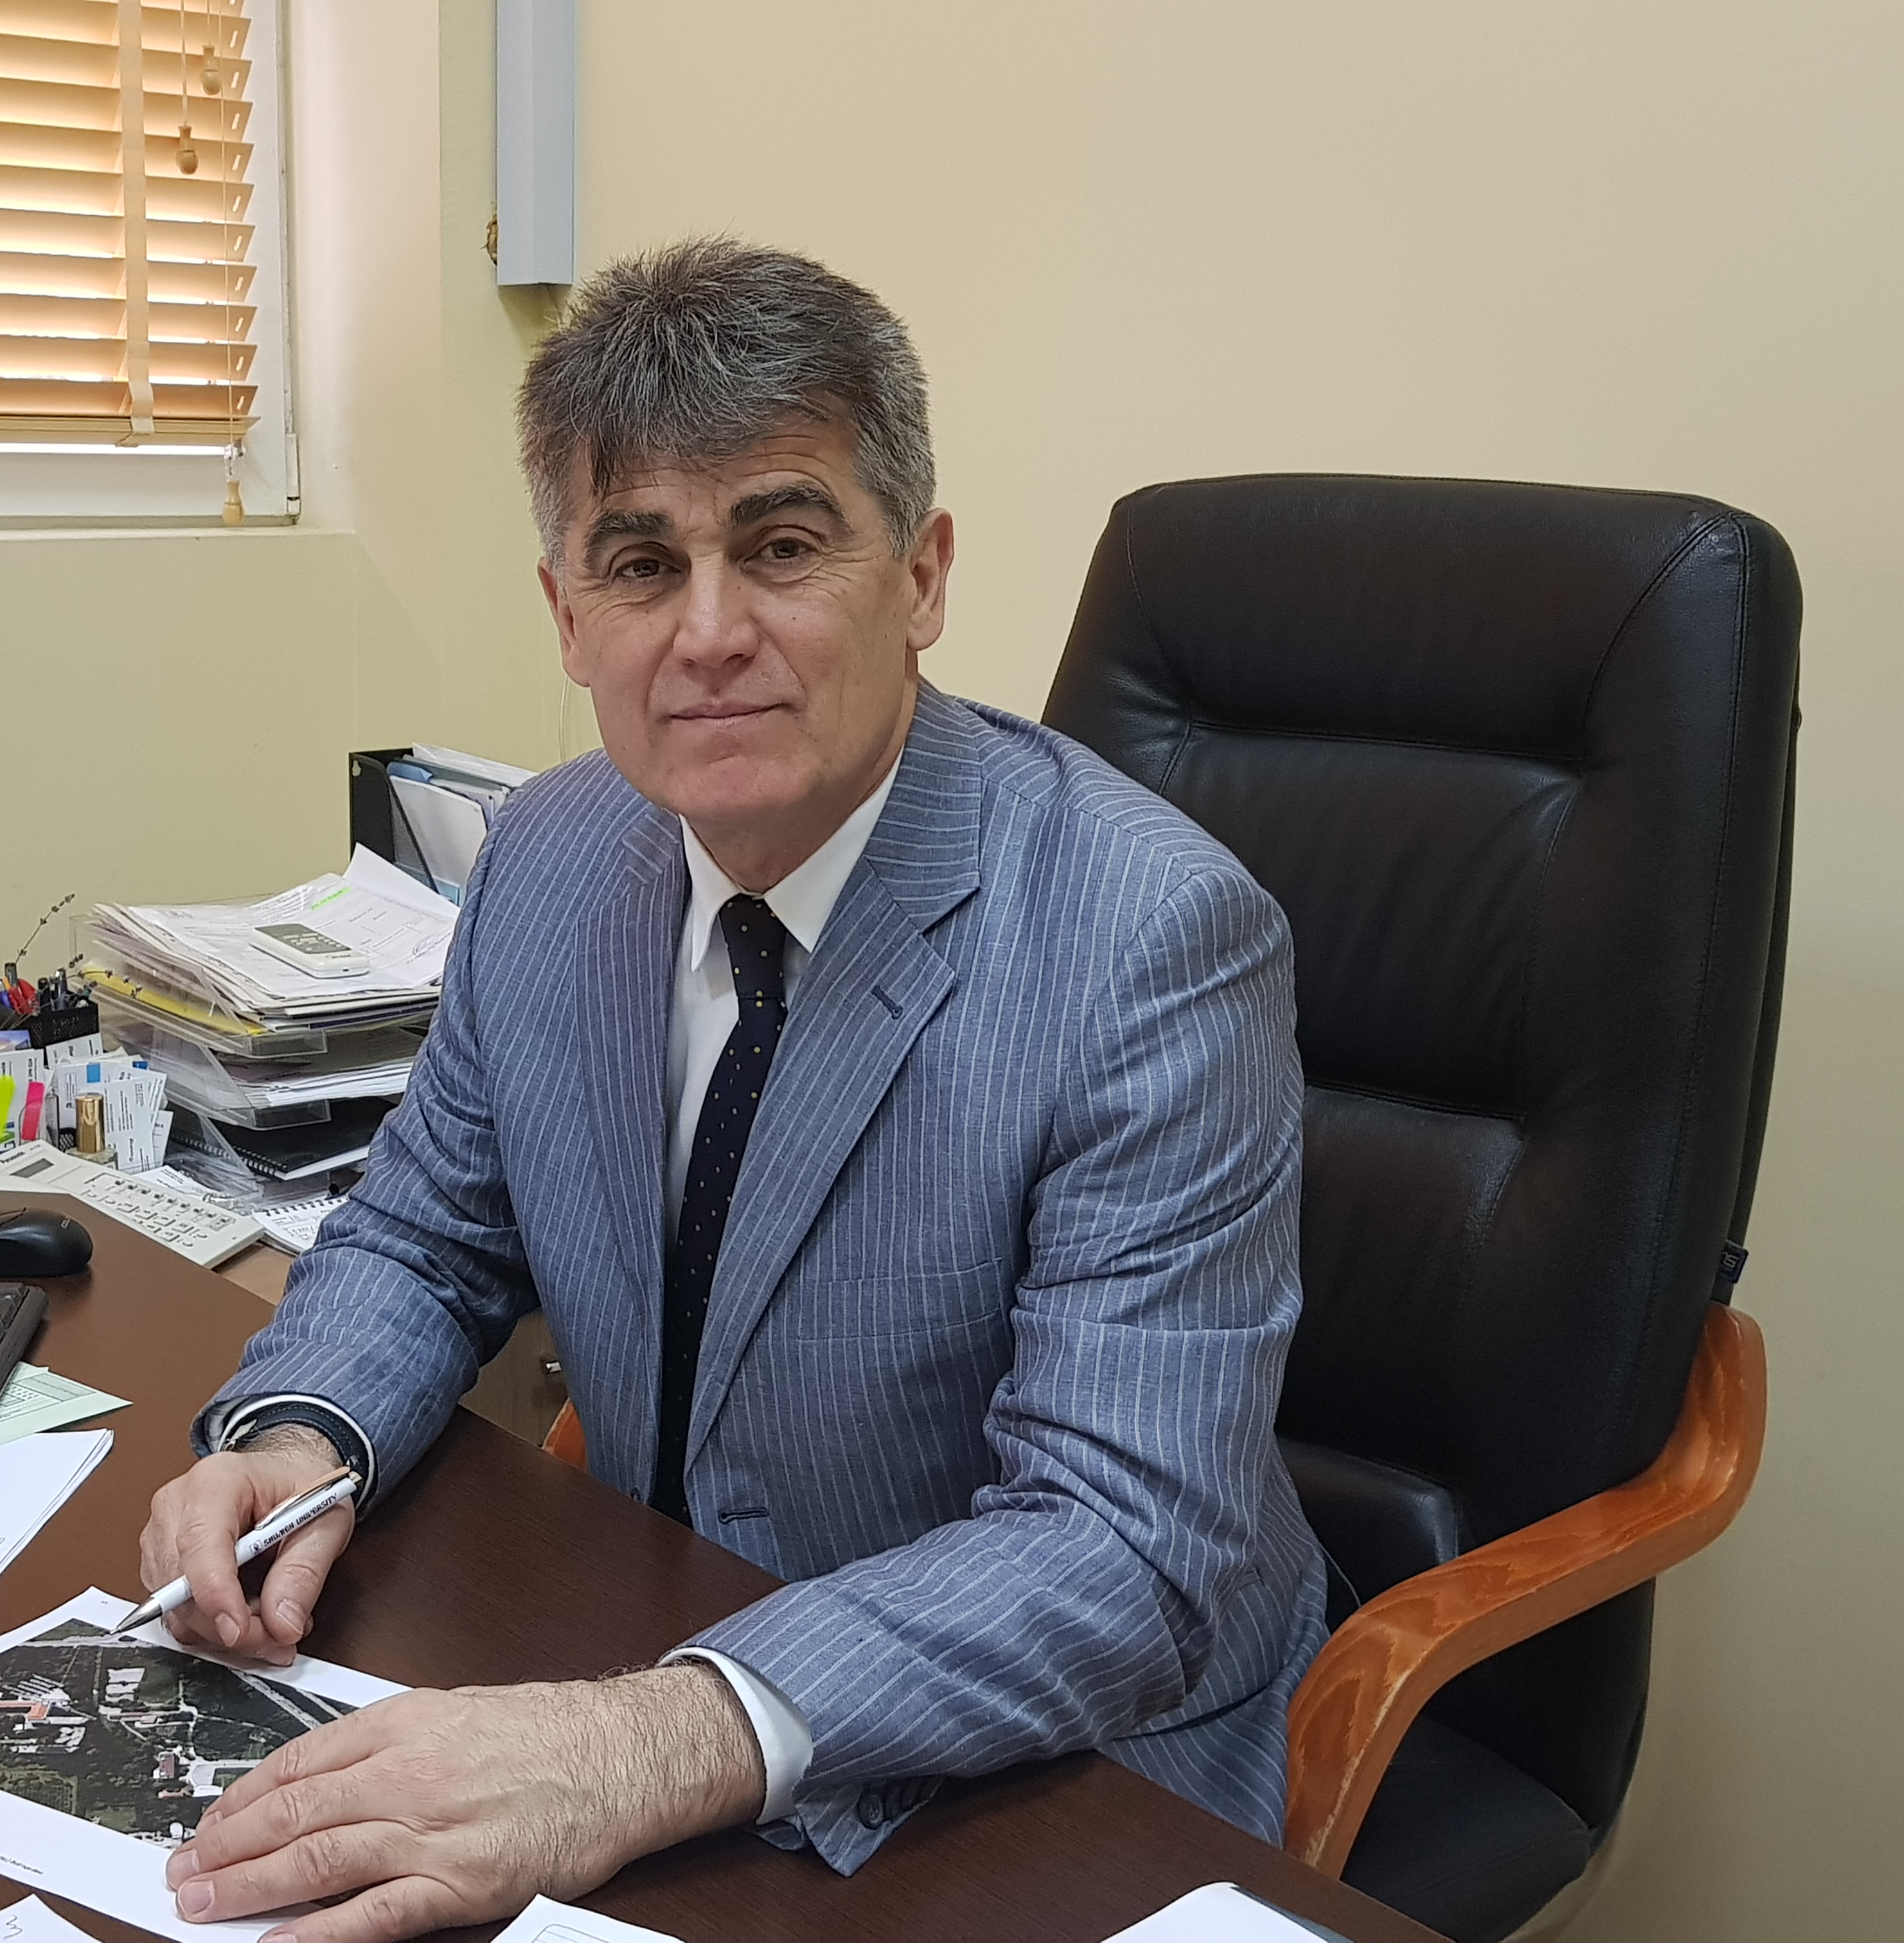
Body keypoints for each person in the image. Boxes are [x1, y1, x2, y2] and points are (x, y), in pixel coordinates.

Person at [140, 238, 1328, 1943]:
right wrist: (299, 1434)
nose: (708, 634)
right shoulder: (549, 858)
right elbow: (422, 1237)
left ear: (920, 575)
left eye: (780, 545)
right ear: (568, 617)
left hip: (1051, 1759)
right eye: (642, 563)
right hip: (653, 1637)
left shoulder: (1151, 940)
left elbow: (1122, 1548)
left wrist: (651, 1739)